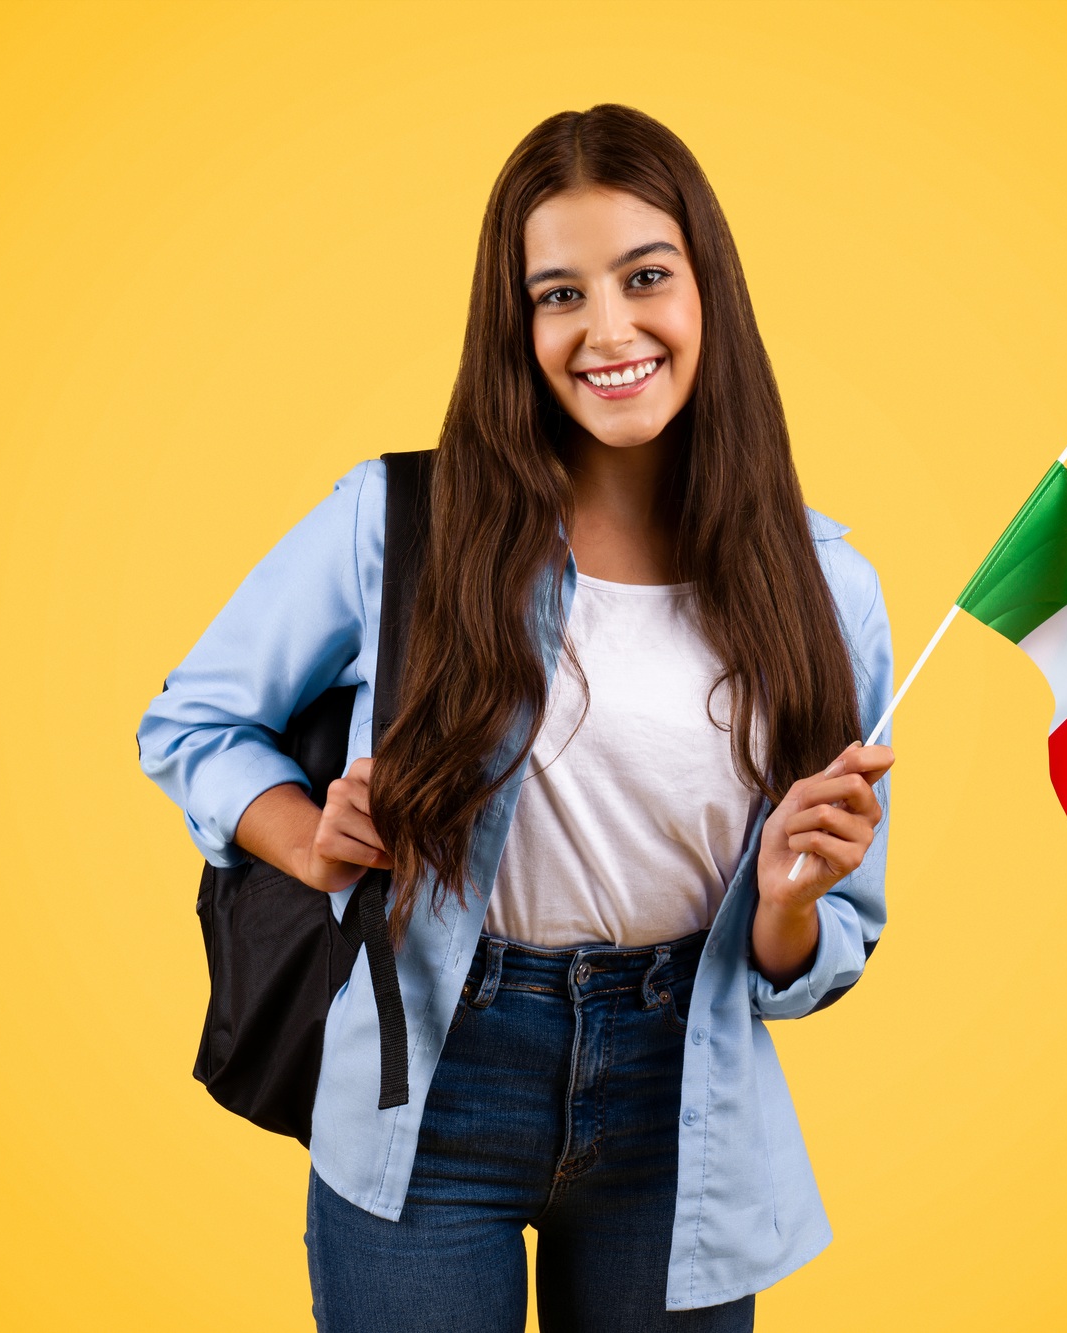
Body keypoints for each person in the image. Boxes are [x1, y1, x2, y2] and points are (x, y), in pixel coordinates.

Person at [138, 104, 895, 1333]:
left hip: (682, 1103)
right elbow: (192, 724)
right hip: (430, 1075)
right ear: (516, 324)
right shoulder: (399, 522)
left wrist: (786, 906)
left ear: (708, 288)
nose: (608, 330)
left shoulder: (823, 588)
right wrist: (305, 838)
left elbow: (820, 955)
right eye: (558, 294)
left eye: (645, 276)